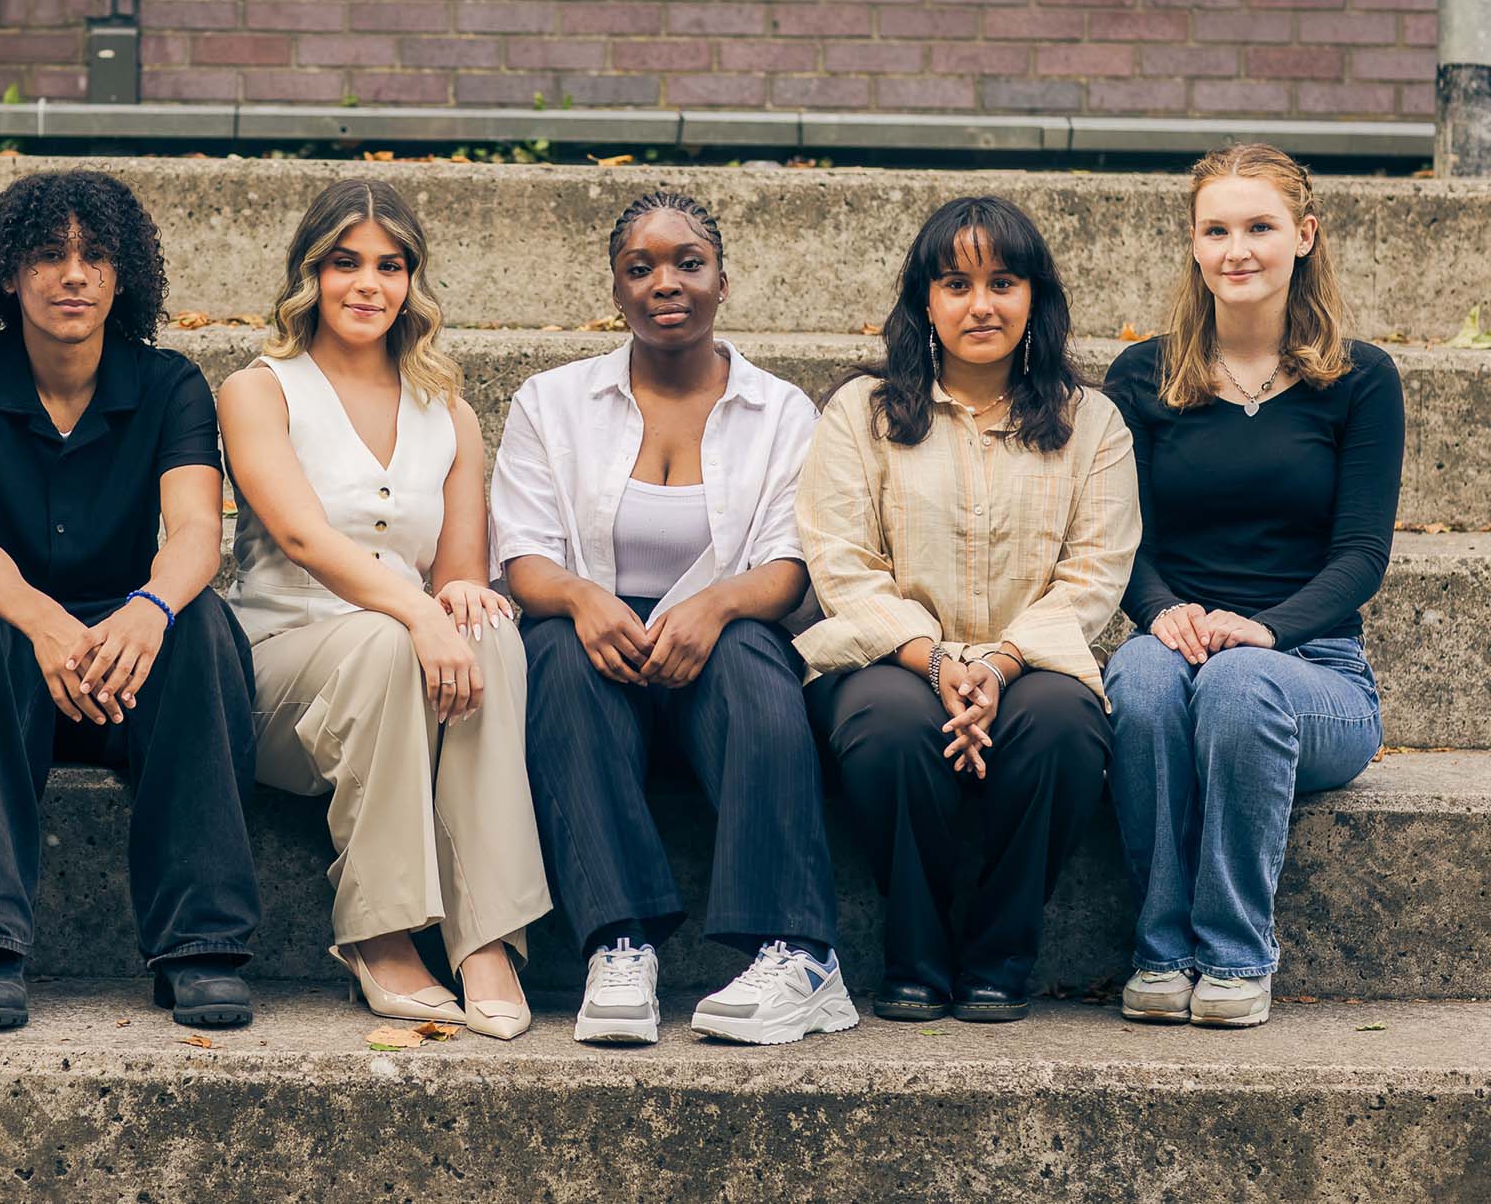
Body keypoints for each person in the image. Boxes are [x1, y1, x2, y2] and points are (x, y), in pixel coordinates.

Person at [493, 190, 856, 1047]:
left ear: (723, 281)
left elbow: (790, 565)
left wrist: (718, 602)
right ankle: (620, 945)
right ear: (615, 291)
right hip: (598, 660)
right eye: (640, 267)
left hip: (720, 658)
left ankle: (799, 953)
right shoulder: (551, 402)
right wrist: (584, 599)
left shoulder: (782, 412)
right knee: (549, 647)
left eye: (688, 262)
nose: (667, 281)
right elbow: (524, 556)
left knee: (755, 656)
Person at [0, 170, 260, 1031]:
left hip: (128, 671)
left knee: (201, 621)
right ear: (6, 273)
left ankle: (202, 942)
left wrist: (147, 609)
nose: (73, 274)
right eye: (47, 255)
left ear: (123, 274)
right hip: (7, 657)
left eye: (95, 256)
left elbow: (193, 532)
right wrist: (44, 621)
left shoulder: (171, 383)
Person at [220, 179, 549, 1041]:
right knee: (387, 634)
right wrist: (419, 612)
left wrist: (454, 604)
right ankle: (380, 926)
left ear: (413, 282)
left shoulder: (450, 413)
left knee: (492, 628)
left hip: (411, 665)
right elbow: (299, 536)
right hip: (282, 673)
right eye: (345, 263)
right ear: (310, 274)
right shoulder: (260, 390)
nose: (368, 284)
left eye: (390, 265)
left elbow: (460, 575)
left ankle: (484, 933)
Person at [799, 196, 1138, 1024]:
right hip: (887, 660)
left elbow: (1094, 574)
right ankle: (915, 955)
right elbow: (842, 564)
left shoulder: (1091, 422)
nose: (980, 304)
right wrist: (939, 660)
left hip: (1032, 661)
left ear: (1035, 299)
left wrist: (998, 663)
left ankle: (999, 954)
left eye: (1003, 282)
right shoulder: (863, 414)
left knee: (1064, 727)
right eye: (956, 282)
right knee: (887, 726)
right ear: (926, 301)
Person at [1102, 144, 1403, 1029]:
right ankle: (1160, 951)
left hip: (1316, 674)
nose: (1238, 248)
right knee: (1141, 682)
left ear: (1303, 237)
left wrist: (1266, 630)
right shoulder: (1143, 377)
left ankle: (1235, 955)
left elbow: (1360, 556)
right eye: (1217, 229)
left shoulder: (1359, 379)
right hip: (1177, 646)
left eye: (1260, 227)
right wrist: (1160, 614)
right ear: (1194, 246)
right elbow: (1120, 541)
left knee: (1237, 683)